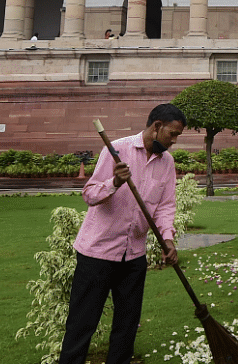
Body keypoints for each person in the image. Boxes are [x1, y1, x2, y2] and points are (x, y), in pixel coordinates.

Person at [58, 104, 185, 364]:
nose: (174, 141)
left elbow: (165, 206)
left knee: (127, 326)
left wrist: (168, 239)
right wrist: (114, 183)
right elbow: (90, 194)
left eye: (177, 136)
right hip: (97, 252)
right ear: (156, 126)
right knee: (82, 325)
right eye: (172, 134)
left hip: (133, 255)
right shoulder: (117, 150)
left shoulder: (167, 163)